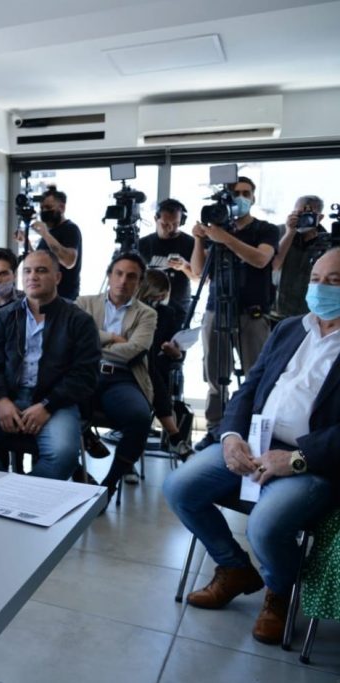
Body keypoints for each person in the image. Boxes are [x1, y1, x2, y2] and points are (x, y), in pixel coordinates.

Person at [163, 248, 340, 645]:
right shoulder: (292, 327)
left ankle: (279, 592)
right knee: (179, 488)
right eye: (316, 278)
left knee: (265, 525)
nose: (321, 287)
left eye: (335, 281)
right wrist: (230, 437)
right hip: (253, 443)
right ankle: (234, 568)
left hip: (310, 463)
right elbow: (250, 387)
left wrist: (294, 459)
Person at [0, 250, 100, 480]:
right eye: (27, 271)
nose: (33, 276)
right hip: (8, 396)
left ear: (58, 277)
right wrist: (0, 400)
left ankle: (25, 493)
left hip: (56, 402)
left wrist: (47, 406)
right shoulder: (5, 316)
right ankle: (3, 489)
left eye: (41, 270)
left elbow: (84, 375)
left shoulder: (79, 321)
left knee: (64, 454)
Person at [190, 176, 280, 449]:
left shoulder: (265, 229)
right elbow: (197, 272)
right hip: (216, 309)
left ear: (253, 197)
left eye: (246, 193)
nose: (241, 197)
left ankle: (252, 429)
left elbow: (261, 259)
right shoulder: (217, 231)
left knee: (256, 374)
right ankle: (215, 427)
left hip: (252, 313)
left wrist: (225, 238)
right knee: (215, 375)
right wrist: (199, 239)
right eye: (235, 192)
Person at [76, 253, 156, 500]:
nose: (123, 280)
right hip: (83, 373)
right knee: (55, 408)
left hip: (121, 378)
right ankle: (80, 474)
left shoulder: (147, 314)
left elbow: (135, 349)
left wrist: (93, 342)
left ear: (139, 282)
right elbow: (74, 340)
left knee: (140, 417)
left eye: (131, 276)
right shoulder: (84, 303)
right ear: (109, 276)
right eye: (119, 273)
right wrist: (111, 337)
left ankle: (108, 486)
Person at [136, 270, 192, 459]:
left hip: (157, 368)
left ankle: (175, 437)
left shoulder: (167, 313)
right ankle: (175, 437)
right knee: (147, 366)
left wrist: (173, 351)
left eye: (162, 294)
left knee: (151, 369)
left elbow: (179, 355)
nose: (159, 298)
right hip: (129, 367)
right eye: (155, 294)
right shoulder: (130, 311)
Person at [137, 198, 197, 318]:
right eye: (165, 224)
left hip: (179, 311)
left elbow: (200, 280)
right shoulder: (142, 244)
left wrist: (184, 266)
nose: (170, 228)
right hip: (146, 309)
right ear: (156, 219)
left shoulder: (191, 243)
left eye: (175, 224)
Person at [273, 195, 327, 319]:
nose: (304, 219)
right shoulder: (279, 232)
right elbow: (274, 264)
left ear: (320, 217)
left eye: (310, 215)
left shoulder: (326, 241)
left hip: (309, 313)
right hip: (276, 308)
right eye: (300, 214)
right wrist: (289, 232)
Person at [30, 186, 83, 301]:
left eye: (48, 207)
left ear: (62, 208)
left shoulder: (70, 229)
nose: (44, 211)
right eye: (42, 208)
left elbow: (69, 261)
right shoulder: (49, 233)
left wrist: (45, 234)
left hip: (64, 299)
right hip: (46, 298)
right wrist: (25, 242)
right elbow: (39, 260)